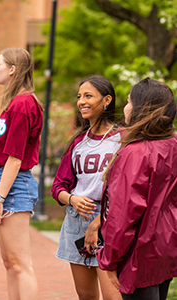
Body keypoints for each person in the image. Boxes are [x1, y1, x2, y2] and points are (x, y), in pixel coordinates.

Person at [97, 77, 177, 300]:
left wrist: (110, 258)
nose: (125, 107)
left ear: (142, 108)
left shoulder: (135, 153)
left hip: (138, 251)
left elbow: (123, 213)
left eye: (130, 101)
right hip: (165, 244)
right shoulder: (172, 144)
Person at [51, 75, 123, 300]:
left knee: (114, 296)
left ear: (107, 100)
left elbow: (127, 190)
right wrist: (72, 199)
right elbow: (58, 187)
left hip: (109, 221)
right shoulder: (78, 142)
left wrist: (99, 221)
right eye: (79, 96)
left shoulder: (124, 139)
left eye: (88, 96)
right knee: (86, 297)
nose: (81, 101)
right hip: (76, 222)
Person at [0, 48, 43, 300]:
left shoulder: (23, 104)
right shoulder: (17, 102)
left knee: (20, 264)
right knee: (10, 263)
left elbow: (15, 158)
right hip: (7, 182)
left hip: (13, 184)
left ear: (12, 69)